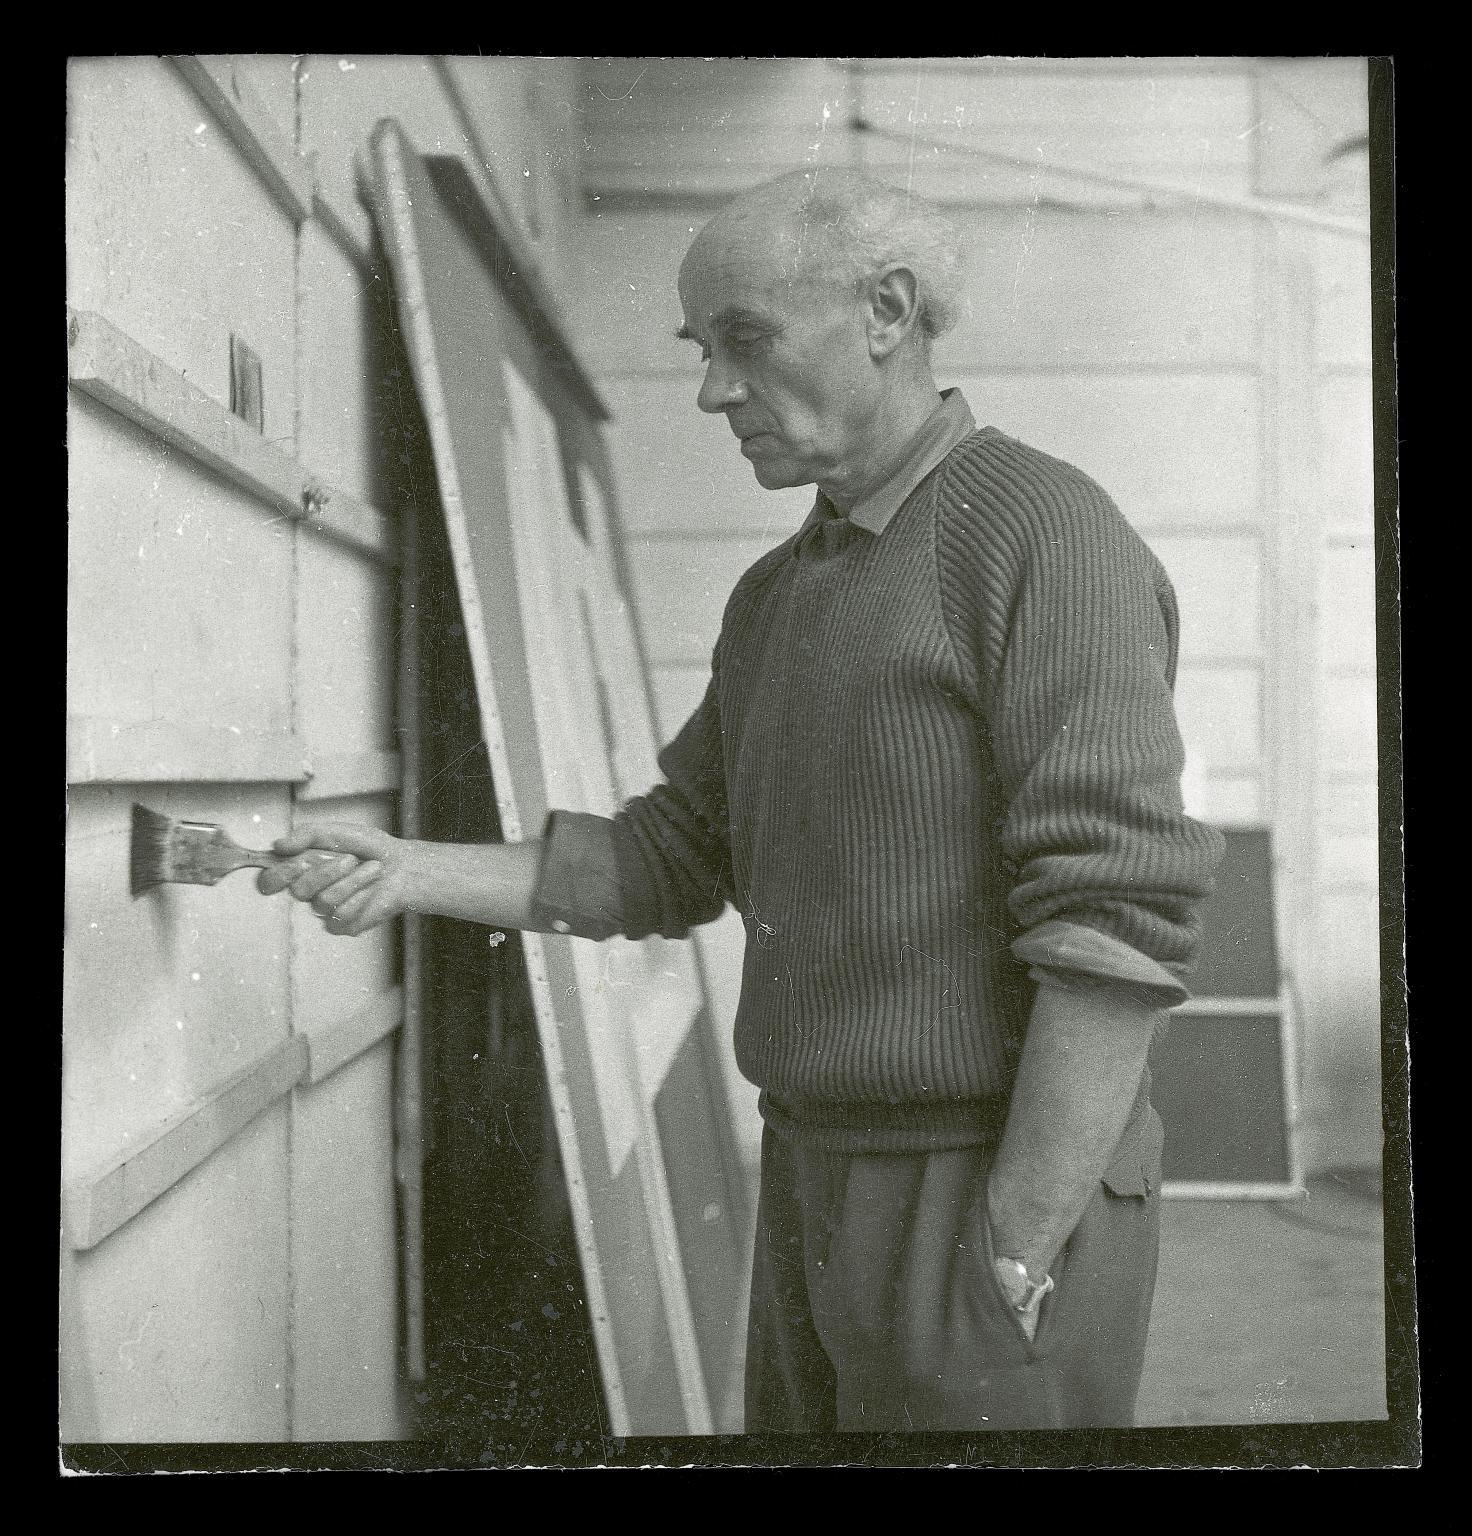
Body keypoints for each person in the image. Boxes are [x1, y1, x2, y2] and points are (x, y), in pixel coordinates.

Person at [260, 168, 1224, 1434]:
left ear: (887, 310)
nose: (713, 388)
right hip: (813, 1174)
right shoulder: (776, 595)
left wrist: (1014, 1243)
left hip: (983, 1184)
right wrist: (406, 868)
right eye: (702, 348)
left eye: (745, 340)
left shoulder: (1045, 534)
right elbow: (673, 855)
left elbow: (1115, 927)